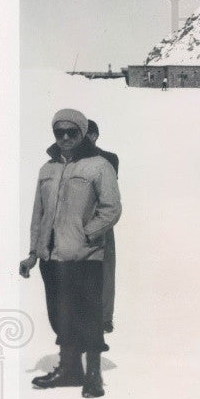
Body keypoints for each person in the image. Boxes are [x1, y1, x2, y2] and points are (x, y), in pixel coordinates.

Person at [21, 108, 121, 398]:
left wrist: (87, 235)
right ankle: (69, 370)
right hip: (52, 257)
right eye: (59, 132)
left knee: (89, 315)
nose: (64, 137)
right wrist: (33, 252)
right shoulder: (47, 169)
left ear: (82, 132)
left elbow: (111, 209)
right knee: (60, 315)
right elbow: (38, 214)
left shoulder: (99, 166)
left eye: (71, 132)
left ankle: (93, 376)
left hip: (85, 256)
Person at [86, 120, 120, 333]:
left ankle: (105, 317)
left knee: (106, 270)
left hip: (102, 220)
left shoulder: (109, 158)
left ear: (95, 135)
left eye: (88, 134)